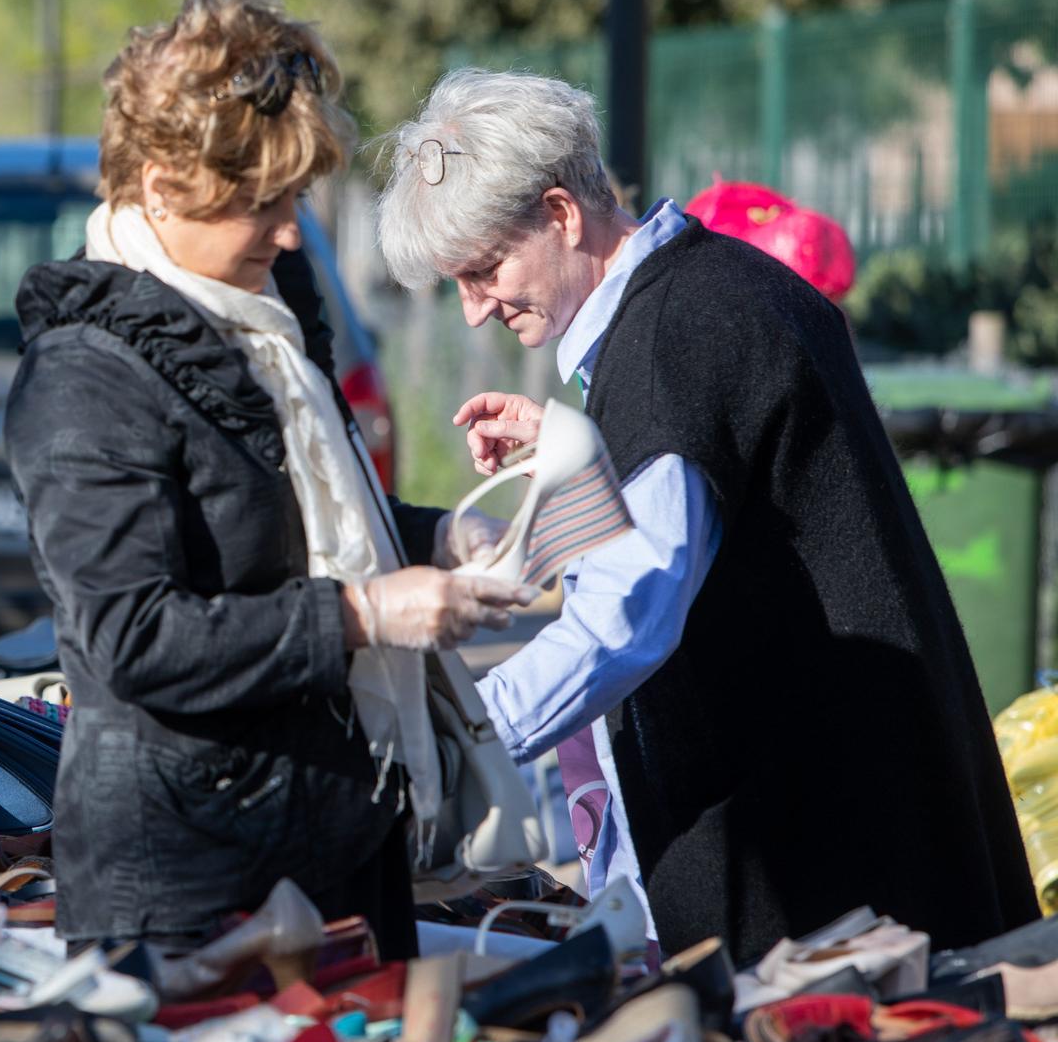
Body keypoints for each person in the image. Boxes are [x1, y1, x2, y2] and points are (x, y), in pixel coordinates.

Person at [375, 67, 1037, 964]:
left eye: (485, 269)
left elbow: (628, 610)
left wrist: (453, 744)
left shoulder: (666, 344)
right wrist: (584, 453)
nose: (477, 305)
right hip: (871, 834)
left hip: (827, 883)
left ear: (562, 215)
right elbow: (712, 511)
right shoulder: (721, 289)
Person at [6, 0, 530, 959]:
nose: (290, 232)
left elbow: (292, 523)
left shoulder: (267, 318)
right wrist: (364, 617)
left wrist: (440, 536)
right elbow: (128, 635)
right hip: (188, 886)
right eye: (261, 203)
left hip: (338, 845)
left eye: (294, 198)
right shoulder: (85, 372)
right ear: (161, 185)